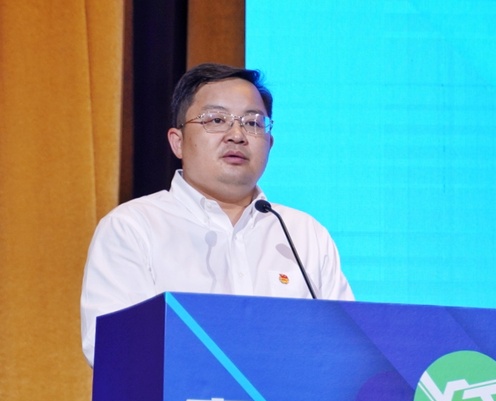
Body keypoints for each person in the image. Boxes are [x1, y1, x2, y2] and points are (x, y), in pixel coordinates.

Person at [80, 63, 354, 366]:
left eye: (252, 123)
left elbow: (347, 350)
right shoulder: (133, 227)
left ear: (270, 143)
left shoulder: (304, 234)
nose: (237, 135)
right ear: (178, 141)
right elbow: (112, 349)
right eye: (216, 120)